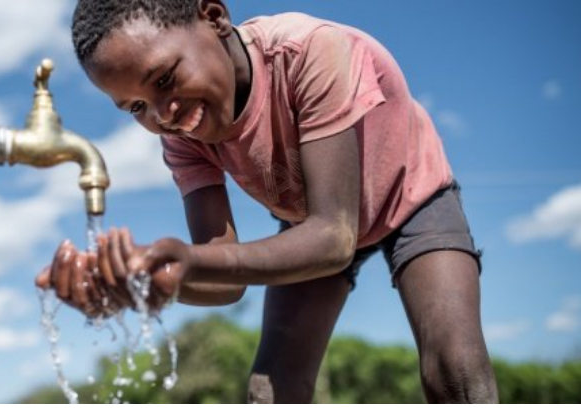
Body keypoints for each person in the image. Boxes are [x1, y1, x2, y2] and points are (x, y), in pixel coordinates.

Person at [35, 0, 498, 403]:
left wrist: (188, 262)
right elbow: (224, 278)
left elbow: (335, 238)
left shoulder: (310, 52)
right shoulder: (183, 135)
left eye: (165, 79)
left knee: (454, 369)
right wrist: (145, 284)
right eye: (136, 107)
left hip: (408, 195)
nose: (161, 114)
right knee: (270, 391)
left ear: (213, 16)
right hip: (308, 224)